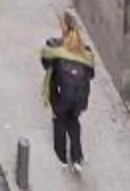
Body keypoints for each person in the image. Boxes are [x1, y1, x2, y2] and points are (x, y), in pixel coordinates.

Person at [40, 13, 97, 173]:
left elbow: (45, 60)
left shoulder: (56, 48)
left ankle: (62, 157)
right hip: (80, 97)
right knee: (74, 121)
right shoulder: (86, 52)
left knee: (59, 120)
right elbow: (91, 74)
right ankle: (77, 157)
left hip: (61, 95)